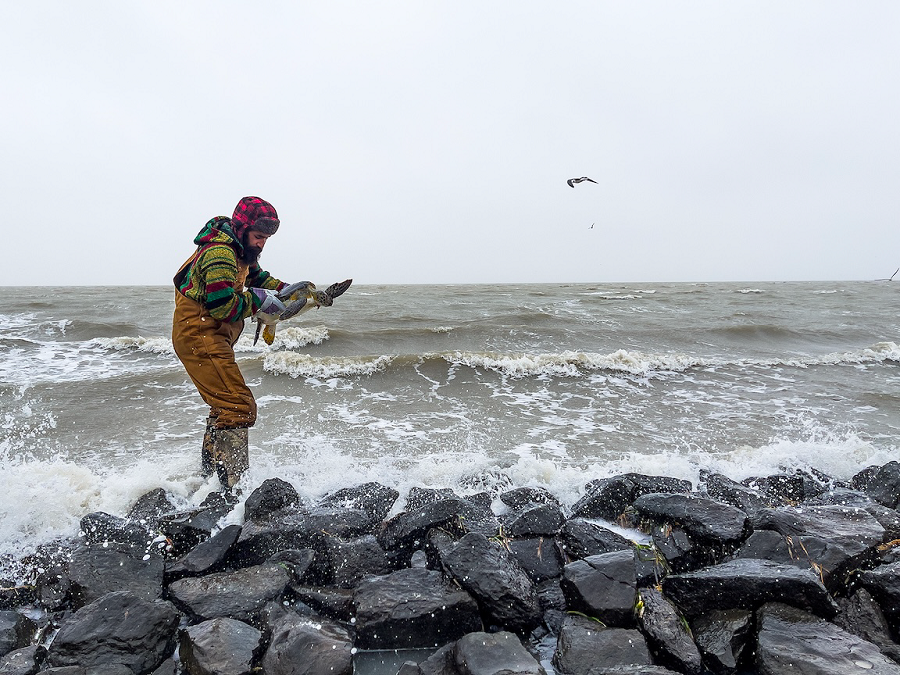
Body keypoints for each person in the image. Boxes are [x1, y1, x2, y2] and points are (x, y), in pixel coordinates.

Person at [172, 196, 292, 489]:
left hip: (211, 336)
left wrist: (293, 292)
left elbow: (259, 278)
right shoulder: (220, 253)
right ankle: (233, 489)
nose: (261, 244)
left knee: (223, 406)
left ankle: (209, 482)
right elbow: (222, 306)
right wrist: (259, 301)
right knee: (238, 406)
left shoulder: (241, 251)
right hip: (199, 335)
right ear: (242, 228)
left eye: (266, 239)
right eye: (258, 236)